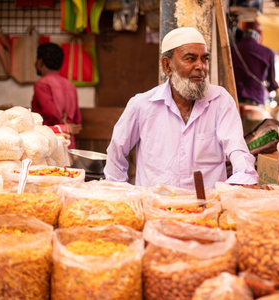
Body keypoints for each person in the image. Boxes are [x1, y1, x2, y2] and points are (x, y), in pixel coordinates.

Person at [104, 27, 258, 189]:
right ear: (167, 66)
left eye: (204, 59)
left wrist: (243, 177)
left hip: (206, 209)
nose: (201, 66)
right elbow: (116, 153)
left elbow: (237, 149)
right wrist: (118, 193)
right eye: (190, 59)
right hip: (156, 208)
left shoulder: (220, 100)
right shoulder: (142, 105)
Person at [32, 42, 82, 149]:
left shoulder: (42, 84)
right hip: (69, 143)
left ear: (40, 62)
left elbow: (51, 113)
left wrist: (62, 126)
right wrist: (67, 126)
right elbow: (77, 121)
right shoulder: (70, 85)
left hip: (50, 143)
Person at [231, 21, 279, 106]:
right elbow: (271, 83)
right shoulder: (268, 53)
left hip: (234, 98)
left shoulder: (232, 50)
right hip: (255, 99)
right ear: (259, 35)